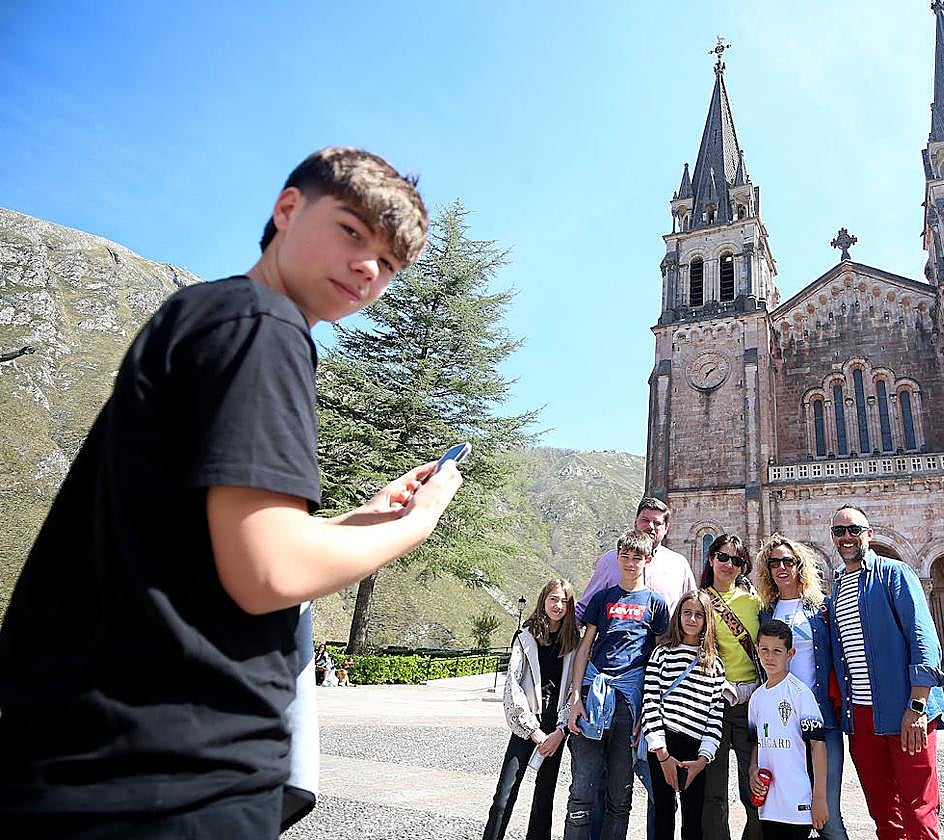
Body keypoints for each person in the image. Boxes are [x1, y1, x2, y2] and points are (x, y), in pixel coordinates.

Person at [0, 147, 463, 836]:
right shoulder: (265, 327)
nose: (369, 267)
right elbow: (267, 573)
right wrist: (416, 524)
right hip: (170, 772)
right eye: (352, 232)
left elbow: (210, 550)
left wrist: (359, 521)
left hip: (93, 758)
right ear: (286, 211)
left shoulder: (205, 313)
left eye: (390, 264)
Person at [575, 496, 697, 840]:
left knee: (659, 784)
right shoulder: (610, 562)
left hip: (662, 691)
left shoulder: (679, 565)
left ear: (667, 527)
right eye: (646, 520)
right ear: (636, 521)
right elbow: (586, 616)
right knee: (603, 782)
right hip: (607, 690)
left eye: (658, 522)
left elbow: (693, 614)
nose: (651, 527)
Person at [827, 504, 944, 840]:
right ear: (833, 539)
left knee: (919, 810)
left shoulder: (894, 573)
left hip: (905, 711)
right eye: (839, 531)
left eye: (854, 529)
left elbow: (924, 641)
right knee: (883, 811)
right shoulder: (836, 588)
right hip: (861, 718)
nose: (847, 537)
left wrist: (918, 707)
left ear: (869, 533)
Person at [565, 529, 670, 840]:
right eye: (624, 556)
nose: (629, 562)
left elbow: (658, 656)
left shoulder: (656, 603)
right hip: (593, 694)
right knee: (582, 789)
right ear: (617, 558)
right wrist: (574, 699)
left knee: (619, 795)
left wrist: (647, 713)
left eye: (636, 557)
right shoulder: (604, 597)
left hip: (628, 701)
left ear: (647, 560)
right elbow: (584, 648)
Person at [755, 534, 848, 840]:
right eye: (774, 562)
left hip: (820, 717)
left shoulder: (822, 608)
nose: (781, 567)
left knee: (827, 817)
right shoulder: (766, 612)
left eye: (788, 561)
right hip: (781, 725)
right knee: (784, 820)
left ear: (800, 565)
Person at [483, 578, 582, 840]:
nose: (558, 605)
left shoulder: (574, 641)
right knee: (504, 795)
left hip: (555, 731)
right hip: (528, 727)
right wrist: (532, 730)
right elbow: (513, 686)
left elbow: (575, 687)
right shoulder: (525, 636)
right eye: (553, 599)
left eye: (564, 601)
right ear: (543, 600)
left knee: (544, 798)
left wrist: (561, 731)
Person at [642, 590, 726, 840]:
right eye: (687, 613)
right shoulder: (662, 654)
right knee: (663, 814)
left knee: (693, 818)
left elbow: (715, 714)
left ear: (707, 620)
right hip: (664, 743)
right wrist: (661, 752)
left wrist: (704, 758)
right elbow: (650, 701)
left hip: (695, 746)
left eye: (698, 614)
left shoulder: (714, 664)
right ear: (678, 615)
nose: (692, 619)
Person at [701, 534, 765, 840]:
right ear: (711, 558)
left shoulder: (754, 603)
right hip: (713, 703)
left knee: (752, 784)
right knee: (713, 791)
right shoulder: (698, 601)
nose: (728, 564)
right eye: (723, 557)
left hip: (750, 704)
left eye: (736, 560)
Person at [747, 620, 828, 840]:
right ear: (757, 650)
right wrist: (753, 770)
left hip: (798, 803)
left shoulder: (800, 694)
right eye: (764, 650)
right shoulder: (756, 699)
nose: (770, 657)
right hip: (769, 804)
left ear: (790, 653)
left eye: (777, 651)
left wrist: (819, 797)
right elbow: (756, 742)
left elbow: (818, 746)